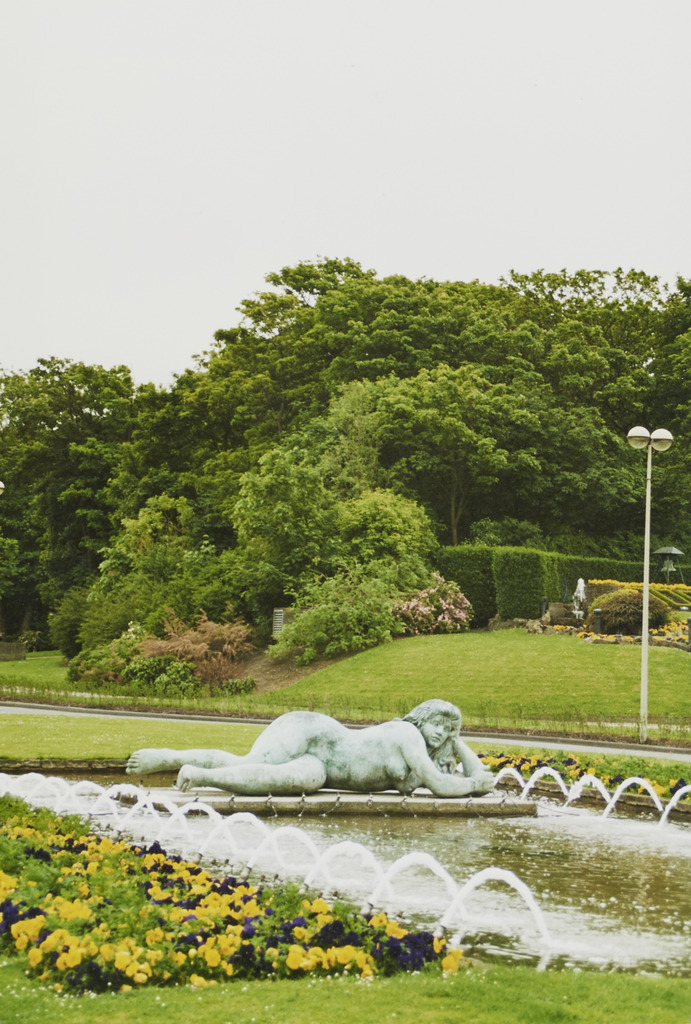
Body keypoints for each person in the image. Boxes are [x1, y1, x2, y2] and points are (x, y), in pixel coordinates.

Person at [126, 699, 495, 798]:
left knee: (292, 781)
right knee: (248, 761)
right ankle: (170, 757)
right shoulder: (407, 735)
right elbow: (442, 786)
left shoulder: (427, 747)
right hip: (316, 735)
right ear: (421, 718)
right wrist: (474, 785)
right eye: (436, 724)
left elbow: (472, 774)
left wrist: (455, 739)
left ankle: (199, 775)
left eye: (447, 730)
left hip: (324, 770)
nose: (440, 734)